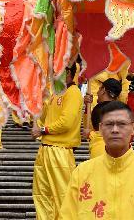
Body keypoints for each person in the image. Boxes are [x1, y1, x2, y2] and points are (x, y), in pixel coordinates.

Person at [59, 101, 134, 219]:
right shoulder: (82, 172)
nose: (115, 130)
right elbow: (67, 215)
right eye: (109, 124)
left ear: (133, 128)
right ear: (100, 128)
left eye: (121, 124)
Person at [32, 63, 82, 220]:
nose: (52, 74)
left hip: (60, 150)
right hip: (45, 149)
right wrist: (37, 101)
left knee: (63, 196)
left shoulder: (73, 92)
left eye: (56, 71)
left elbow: (66, 122)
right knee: (42, 194)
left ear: (67, 72)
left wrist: (43, 130)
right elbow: (44, 116)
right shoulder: (56, 92)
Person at [84, 78, 122, 159]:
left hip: (104, 152)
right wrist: (87, 106)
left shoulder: (114, 110)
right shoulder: (119, 108)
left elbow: (108, 133)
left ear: (103, 90)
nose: (97, 92)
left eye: (99, 88)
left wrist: (91, 134)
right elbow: (92, 127)